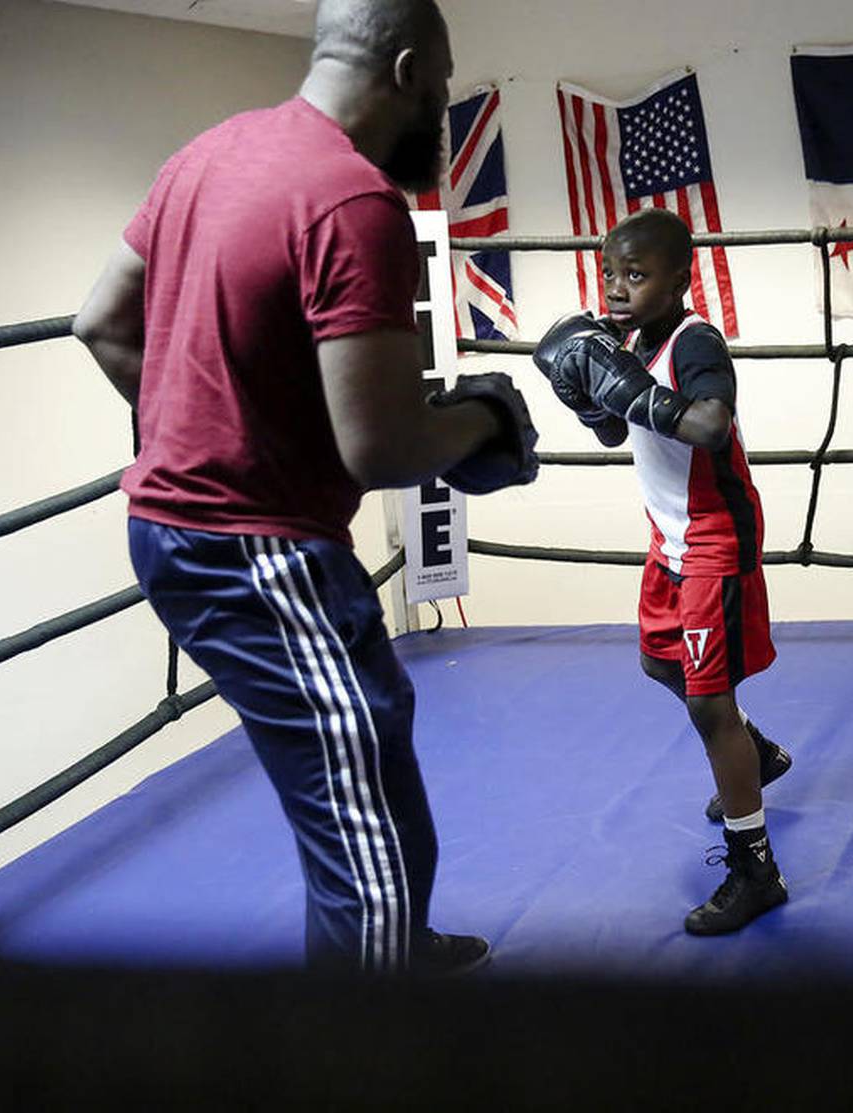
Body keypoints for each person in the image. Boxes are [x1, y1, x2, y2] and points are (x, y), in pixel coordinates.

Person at [72, 0, 537, 975]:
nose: (443, 111)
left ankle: (403, 944)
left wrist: (212, 432)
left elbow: (104, 324)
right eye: (444, 89)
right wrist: (487, 419)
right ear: (409, 71)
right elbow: (384, 449)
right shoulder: (354, 201)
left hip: (197, 532)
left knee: (374, 734)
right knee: (356, 831)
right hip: (256, 552)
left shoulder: (209, 154)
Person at [533, 209, 792, 935]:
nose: (616, 288)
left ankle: (755, 868)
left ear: (681, 278)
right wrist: (586, 394)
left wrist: (625, 388)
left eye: (636, 275)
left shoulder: (695, 340)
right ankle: (759, 752)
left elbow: (709, 425)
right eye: (610, 272)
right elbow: (617, 429)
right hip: (668, 536)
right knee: (661, 666)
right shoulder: (625, 338)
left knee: (709, 704)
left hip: (715, 535)